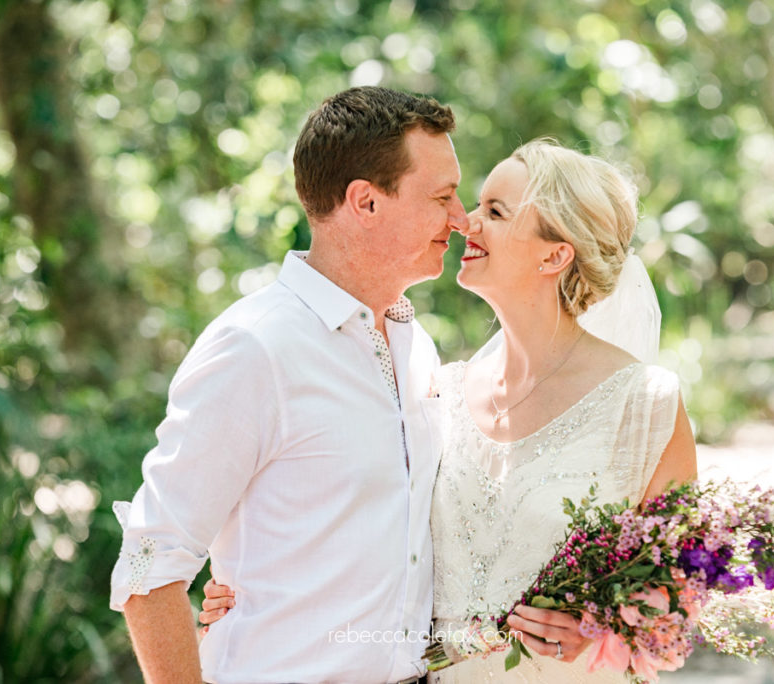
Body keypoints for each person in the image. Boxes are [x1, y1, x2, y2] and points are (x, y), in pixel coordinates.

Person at [201, 139, 698, 683]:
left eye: (495, 212)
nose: (465, 222)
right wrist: (254, 596)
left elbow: (679, 598)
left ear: (554, 254)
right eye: (474, 204)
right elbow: (358, 523)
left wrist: (601, 624)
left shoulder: (646, 407)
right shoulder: (436, 388)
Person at [109, 86, 470, 684]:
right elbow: (150, 562)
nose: (460, 218)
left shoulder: (417, 346)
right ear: (366, 202)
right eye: (442, 196)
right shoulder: (253, 349)